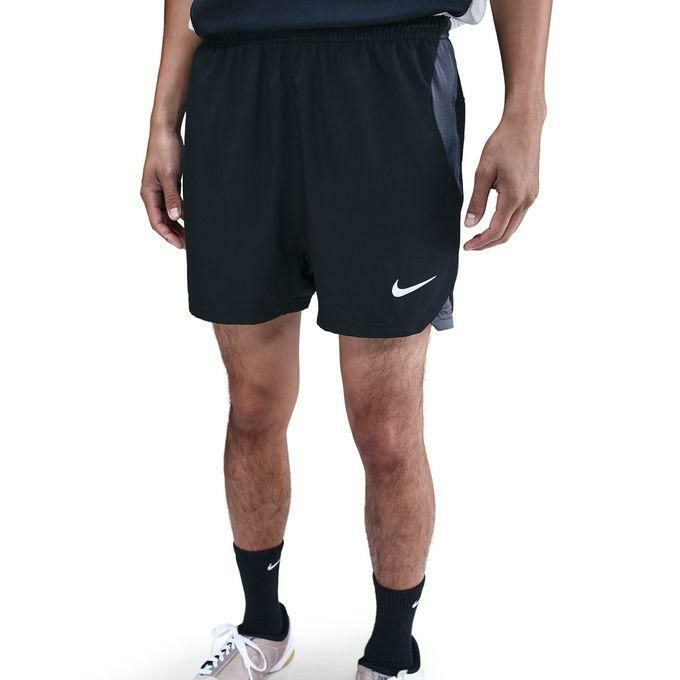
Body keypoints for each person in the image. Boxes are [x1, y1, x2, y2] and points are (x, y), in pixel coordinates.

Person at [141, 1, 552, 678]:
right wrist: (162, 118)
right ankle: (263, 628)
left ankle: (391, 654)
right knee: (252, 405)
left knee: (386, 429)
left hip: (388, 76)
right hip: (236, 81)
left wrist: (526, 112)